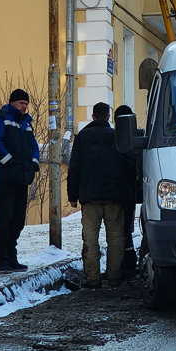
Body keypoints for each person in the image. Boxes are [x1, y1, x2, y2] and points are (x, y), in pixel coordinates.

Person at [67, 102, 135, 287]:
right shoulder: (117, 136)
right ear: (108, 116)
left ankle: (92, 278)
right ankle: (114, 276)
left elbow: (74, 168)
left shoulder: (82, 137)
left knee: (90, 237)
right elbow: (129, 165)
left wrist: (72, 195)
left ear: (93, 116)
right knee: (115, 238)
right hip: (115, 195)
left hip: (90, 196)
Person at [0, 88, 41, 273]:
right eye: (21, 103)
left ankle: (12, 258)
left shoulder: (26, 123)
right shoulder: (2, 118)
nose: (24, 107)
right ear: (12, 103)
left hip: (22, 178)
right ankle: (1, 260)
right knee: (5, 217)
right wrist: (9, 161)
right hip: (7, 178)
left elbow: (34, 145)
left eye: (26, 104)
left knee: (18, 219)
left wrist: (33, 162)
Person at [114, 104, 139, 280]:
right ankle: (129, 262)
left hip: (120, 189)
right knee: (126, 227)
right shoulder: (138, 136)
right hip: (134, 189)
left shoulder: (116, 138)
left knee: (121, 229)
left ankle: (126, 264)